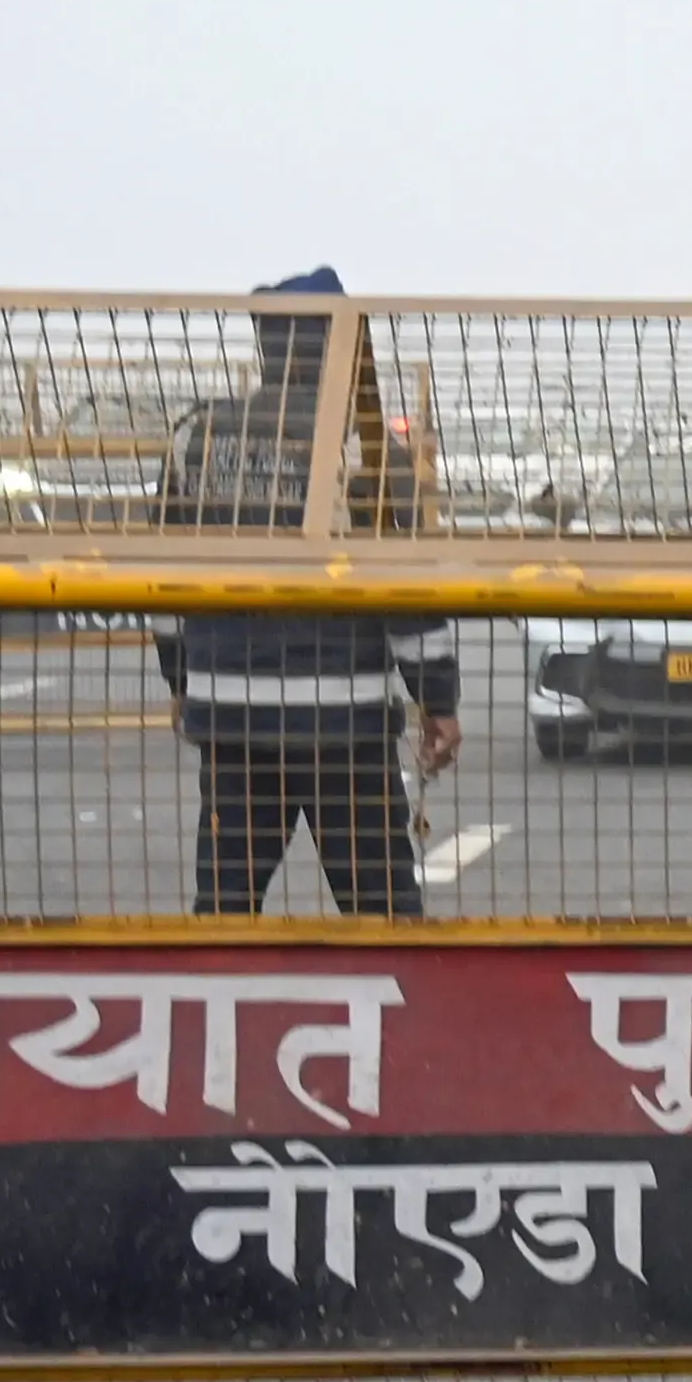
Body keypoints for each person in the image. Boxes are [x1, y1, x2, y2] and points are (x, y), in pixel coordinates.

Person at [157, 266, 457, 918]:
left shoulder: (197, 438)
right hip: (343, 724)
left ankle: (220, 1016)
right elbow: (406, 591)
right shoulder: (366, 449)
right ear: (343, 342)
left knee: (226, 908)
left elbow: (165, 582)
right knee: (383, 913)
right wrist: (438, 702)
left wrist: (181, 682)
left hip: (230, 719)